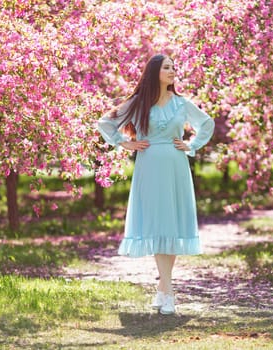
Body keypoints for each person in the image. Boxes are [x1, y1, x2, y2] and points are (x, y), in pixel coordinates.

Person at [97, 54, 215, 315]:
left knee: (171, 224)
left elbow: (206, 124)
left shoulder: (182, 104)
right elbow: (105, 122)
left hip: (176, 166)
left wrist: (192, 145)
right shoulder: (139, 103)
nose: (173, 70)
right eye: (167, 67)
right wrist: (123, 142)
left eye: (174, 66)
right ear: (155, 72)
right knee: (158, 223)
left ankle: (164, 289)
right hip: (149, 166)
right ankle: (169, 291)